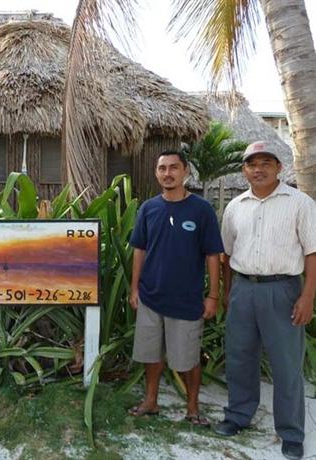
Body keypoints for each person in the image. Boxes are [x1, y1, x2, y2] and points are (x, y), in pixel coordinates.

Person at [215, 141, 316, 460]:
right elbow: (227, 254)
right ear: (244, 170)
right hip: (243, 289)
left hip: (283, 290)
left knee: (286, 365)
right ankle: (238, 416)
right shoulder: (235, 206)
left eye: (265, 163)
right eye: (251, 164)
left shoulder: (299, 203)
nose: (258, 169)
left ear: (279, 167)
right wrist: (229, 293)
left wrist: (307, 297)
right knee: (240, 358)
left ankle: (290, 433)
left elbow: (312, 252)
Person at [128, 150, 223, 426]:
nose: (167, 173)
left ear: (185, 172)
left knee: (188, 359)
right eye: (162, 168)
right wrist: (135, 289)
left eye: (173, 168)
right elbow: (139, 250)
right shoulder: (149, 208)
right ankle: (150, 401)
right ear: (157, 173)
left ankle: (192, 408)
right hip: (150, 297)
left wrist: (213, 295)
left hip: (186, 300)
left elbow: (213, 255)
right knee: (150, 354)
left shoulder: (201, 210)